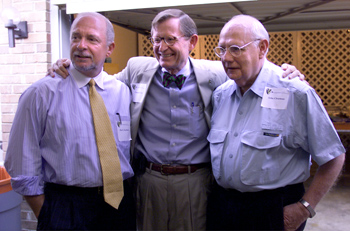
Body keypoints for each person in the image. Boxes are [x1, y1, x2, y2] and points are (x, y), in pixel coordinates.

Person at [49, 9, 303, 230]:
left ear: (192, 41)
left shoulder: (216, 73)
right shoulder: (138, 69)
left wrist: (284, 72)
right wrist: (68, 66)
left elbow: (254, 70)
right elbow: (99, 83)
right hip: (149, 181)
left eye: (170, 39)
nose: (161, 47)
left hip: (195, 183)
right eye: (157, 39)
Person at [206, 14, 345, 231]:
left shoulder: (295, 93)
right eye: (221, 49)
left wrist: (304, 208)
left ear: (262, 48)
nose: (226, 57)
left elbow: (334, 156)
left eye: (235, 48)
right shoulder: (220, 95)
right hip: (222, 206)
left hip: (273, 209)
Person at [4, 12, 136, 230]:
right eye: (76, 37)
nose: (81, 45)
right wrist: (47, 214)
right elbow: (21, 164)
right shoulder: (40, 94)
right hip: (65, 208)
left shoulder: (122, 92)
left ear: (109, 48)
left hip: (119, 205)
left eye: (92, 39)